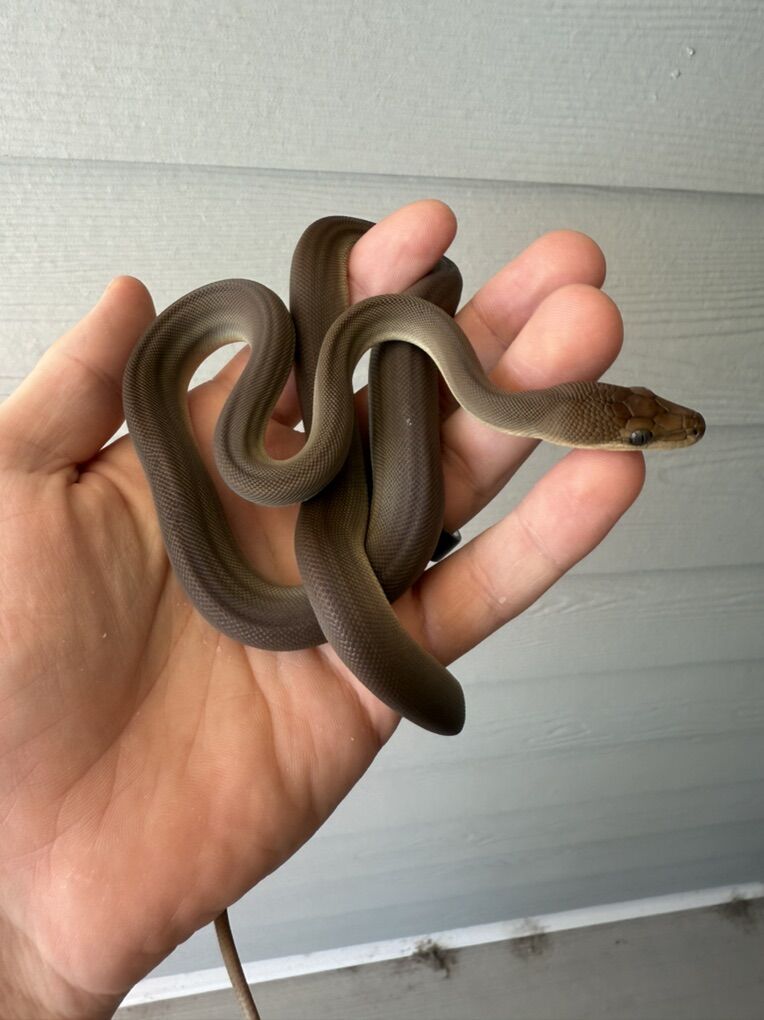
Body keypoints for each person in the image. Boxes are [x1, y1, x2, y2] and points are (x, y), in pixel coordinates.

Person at [0, 199, 643, 1018]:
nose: (646, 440)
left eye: (637, 432)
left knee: (383, 496)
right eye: (637, 436)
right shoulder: (286, 387)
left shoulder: (390, 331)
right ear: (581, 423)